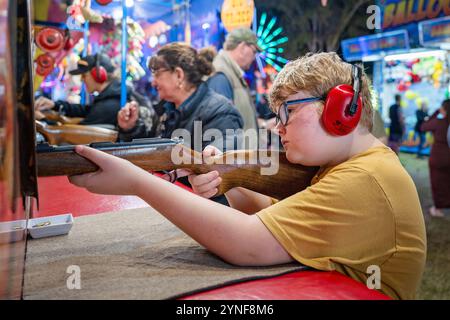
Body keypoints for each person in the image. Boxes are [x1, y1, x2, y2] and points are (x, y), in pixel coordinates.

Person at [68, 52, 426, 300]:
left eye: (288, 112)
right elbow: (271, 214)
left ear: (341, 111)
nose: (278, 127)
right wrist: (227, 179)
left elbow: (247, 244)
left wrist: (135, 181)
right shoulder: (351, 166)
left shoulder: (363, 180)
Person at [117, 42, 243, 151]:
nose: (153, 82)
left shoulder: (220, 113)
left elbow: (215, 168)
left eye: (157, 74)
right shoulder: (167, 109)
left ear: (178, 75)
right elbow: (153, 152)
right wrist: (130, 128)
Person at [34, 54, 125, 128]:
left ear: (98, 75)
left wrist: (43, 120)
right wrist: (55, 105)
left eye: (84, 76)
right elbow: (86, 110)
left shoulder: (107, 107)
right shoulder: (109, 98)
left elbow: (75, 134)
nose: (82, 80)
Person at [207, 28, 261, 148]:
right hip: (236, 162)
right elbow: (221, 130)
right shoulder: (221, 74)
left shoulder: (230, 72)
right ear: (242, 48)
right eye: (254, 51)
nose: (254, 57)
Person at [421, 99, 450, 217]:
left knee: (437, 183)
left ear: (443, 109)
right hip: (448, 156)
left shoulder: (439, 122)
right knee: (447, 182)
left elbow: (423, 127)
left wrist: (435, 112)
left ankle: (438, 208)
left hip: (438, 157)